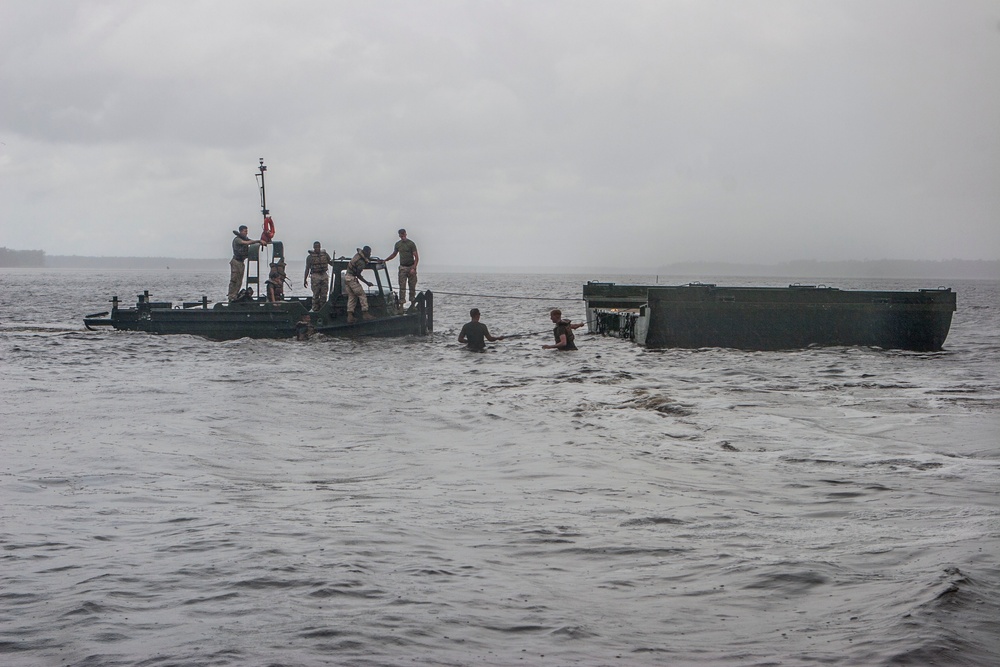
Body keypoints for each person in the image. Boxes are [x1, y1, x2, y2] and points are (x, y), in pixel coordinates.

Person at [384, 228, 419, 310]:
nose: (402, 236)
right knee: (402, 286)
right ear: (399, 235)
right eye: (401, 235)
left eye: (403, 234)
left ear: (406, 234)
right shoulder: (398, 244)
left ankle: (412, 304)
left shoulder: (411, 244)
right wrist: (385, 260)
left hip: (411, 266)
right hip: (402, 267)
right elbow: (394, 254)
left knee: (412, 286)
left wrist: (414, 268)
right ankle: (401, 305)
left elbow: (416, 257)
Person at [345, 246, 376, 323]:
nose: (370, 254)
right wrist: (367, 283)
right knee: (362, 294)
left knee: (352, 296)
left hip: (347, 278)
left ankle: (350, 316)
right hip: (352, 278)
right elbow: (358, 274)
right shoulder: (361, 262)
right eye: (369, 253)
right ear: (366, 252)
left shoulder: (357, 256)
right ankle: (365, 314)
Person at [229, 225, 258, 301]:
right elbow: (247, 242)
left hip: (241, 262)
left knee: (239, 281)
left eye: (247, 231)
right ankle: (231, 296)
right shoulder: (237, 240)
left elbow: (251, 241)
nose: (246, 233)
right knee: (234, 280)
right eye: (245, 231)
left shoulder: (245, 238)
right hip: (236, 262)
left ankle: (235, 295)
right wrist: (258, 241)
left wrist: (261, 242)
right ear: (241, 231)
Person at [303, 242, 333, 311]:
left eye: (318, 247)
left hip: (324, 275)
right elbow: (307, 268)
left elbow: (331, 263)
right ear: (313, 247)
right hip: (315, 275)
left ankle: (323, 309)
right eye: (315, 247)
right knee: (316, 294)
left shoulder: (325, 255)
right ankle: (315, 309)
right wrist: (305, 279)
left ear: (320, 247)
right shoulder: (310, 257)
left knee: (324, 294)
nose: (317, 248)